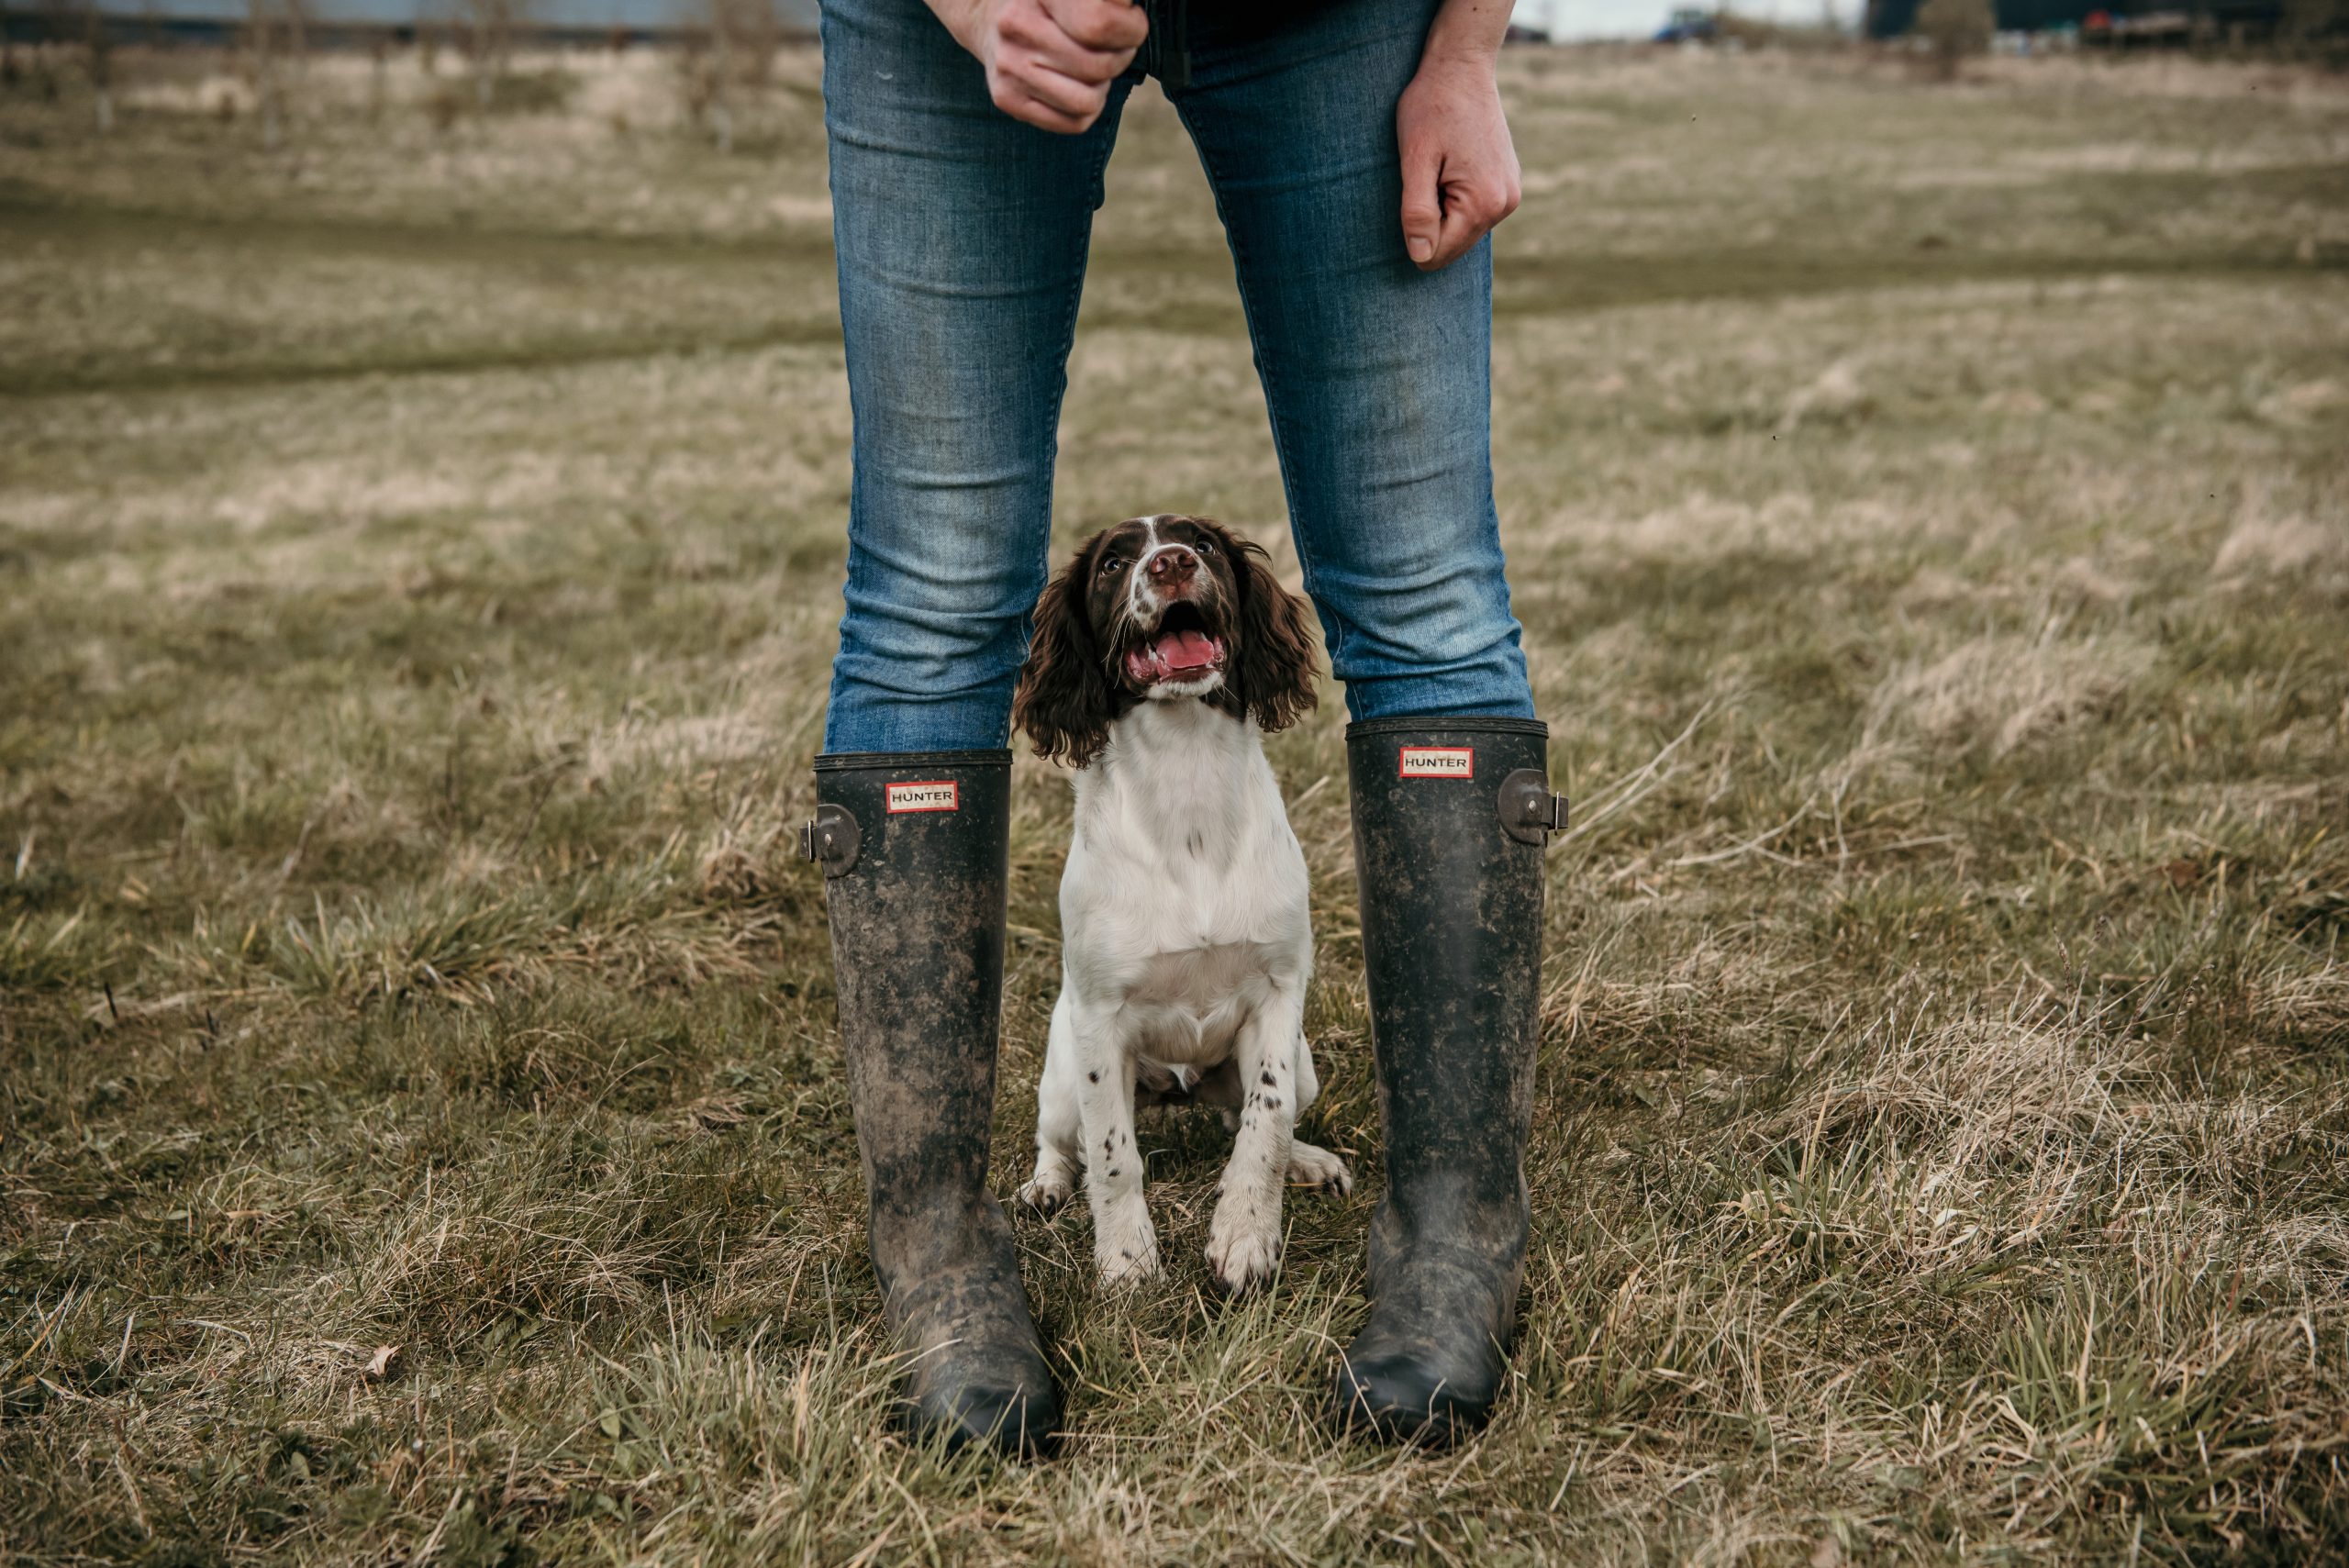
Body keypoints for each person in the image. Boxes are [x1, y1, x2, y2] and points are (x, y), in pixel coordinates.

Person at [801, 0, 1560, 1454]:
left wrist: (1464, 47)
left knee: (1424, 585)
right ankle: (943, 1248)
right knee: (932, 589)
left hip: (1345, 20)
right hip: (957, 20)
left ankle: (1456, 1223)